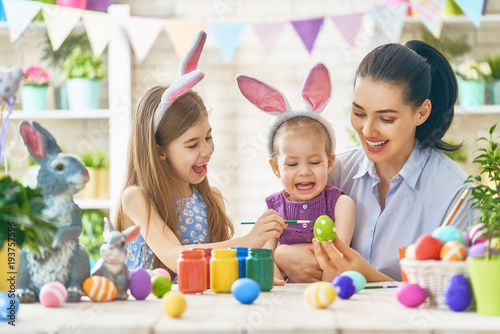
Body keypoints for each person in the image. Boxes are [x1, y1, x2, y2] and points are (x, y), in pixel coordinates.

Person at [274, 40, 475, 282]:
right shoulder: (332, 173)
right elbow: (277, 232)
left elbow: (456, 299)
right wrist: (280, 254)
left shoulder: (455, 194)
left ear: (421, 113)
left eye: (386, 119)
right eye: (359, 113)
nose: (368, 130)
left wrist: (368, 276)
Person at [114, 31, 285, 278]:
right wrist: (250, 240)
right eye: (192, 144)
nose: (207, 150)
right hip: (147, 312)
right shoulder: (136, 198)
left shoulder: (210, 198)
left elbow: (218, 265)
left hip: (197, 311)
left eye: (208, 137)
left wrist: (264, 260)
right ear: (160, 151)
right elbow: (175, 257)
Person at [236, 63, 356, 283]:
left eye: (314, 162)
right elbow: (266, 260)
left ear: (329, 163)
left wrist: (325, 296)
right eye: (292, 164)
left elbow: (337, 258)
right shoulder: (273, 209)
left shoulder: (341, 204)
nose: (304, 172)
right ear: (275, 168)